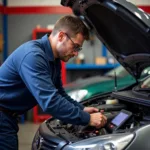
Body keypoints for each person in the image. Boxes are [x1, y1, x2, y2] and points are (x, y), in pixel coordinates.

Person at [0, 15, 107, 150]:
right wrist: (87, 119)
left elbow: (59, 93)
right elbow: (50, 102)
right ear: (61, 36)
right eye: (75, 46)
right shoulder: (33, 56)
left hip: (8, 116)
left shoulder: (54, 59)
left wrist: (82, 109)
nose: (75, 53)